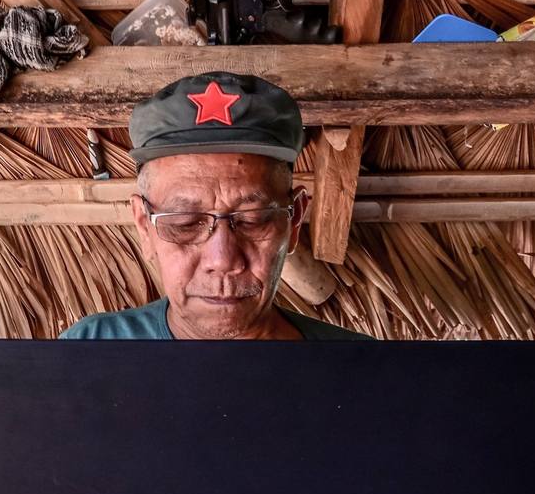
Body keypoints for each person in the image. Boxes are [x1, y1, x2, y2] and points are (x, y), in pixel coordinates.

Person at [60, 71, 374, 341]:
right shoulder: (87, 352)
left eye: (252, 220)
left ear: (293, 222)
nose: (222, 259)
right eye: (185, 223)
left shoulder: (361, 371)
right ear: (144, 225)